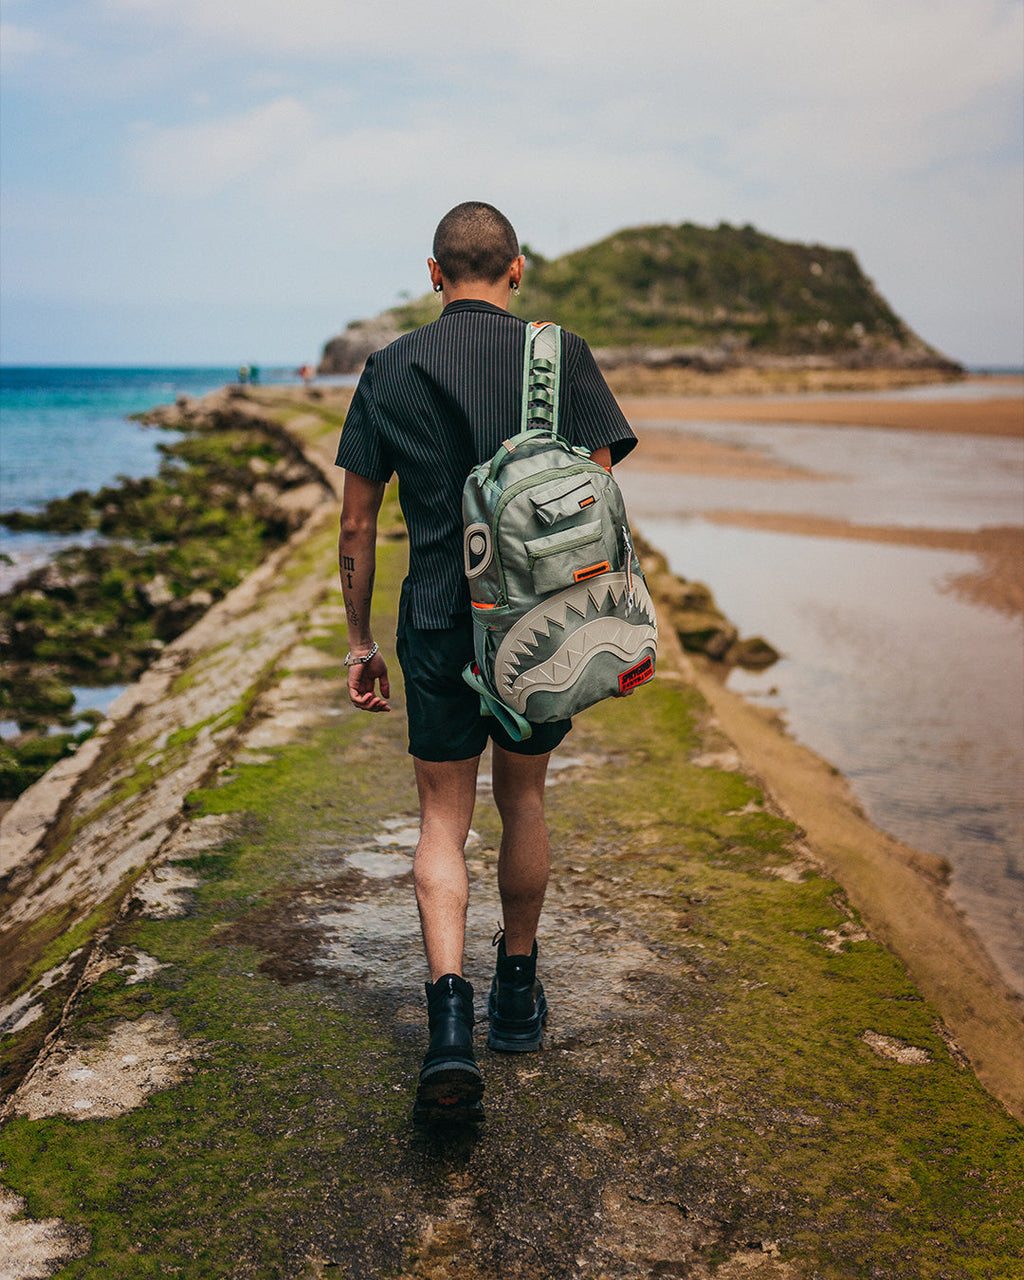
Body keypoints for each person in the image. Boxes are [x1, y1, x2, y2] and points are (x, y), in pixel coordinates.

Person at [335, 201, 636, 1123]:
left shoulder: (388, 368)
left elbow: (354, 523)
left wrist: (360, 641)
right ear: (517, 268)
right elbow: (594, 494)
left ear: (433, 274)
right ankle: (517, 993)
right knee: (527, 799)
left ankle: (449, 1027)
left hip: (434, 619)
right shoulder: (562, 355)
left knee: (441, 820)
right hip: (537, 626)